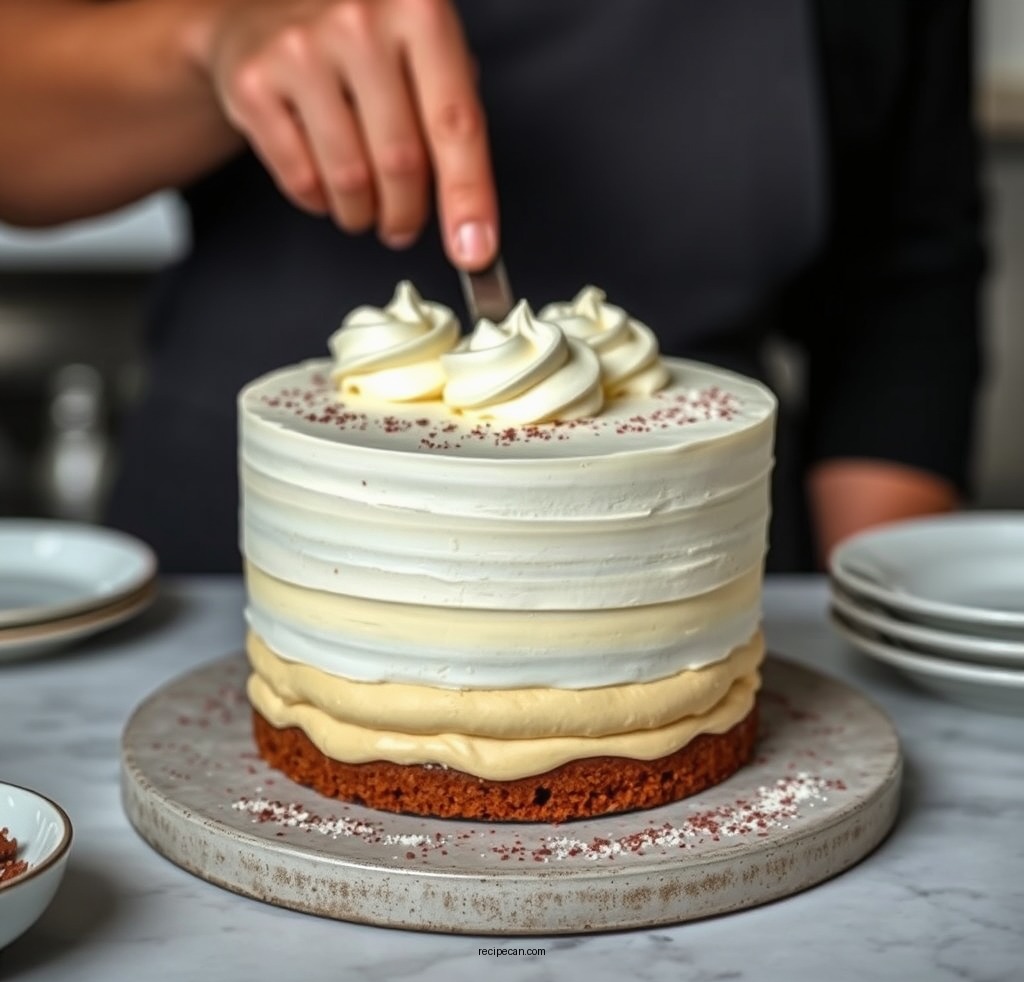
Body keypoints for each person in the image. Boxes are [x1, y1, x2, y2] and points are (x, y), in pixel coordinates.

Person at [0, 0, 985, 573]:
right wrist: (208, 39)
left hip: (692, 573)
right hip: (238, 574)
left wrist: (873, 632)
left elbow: (902, 284)